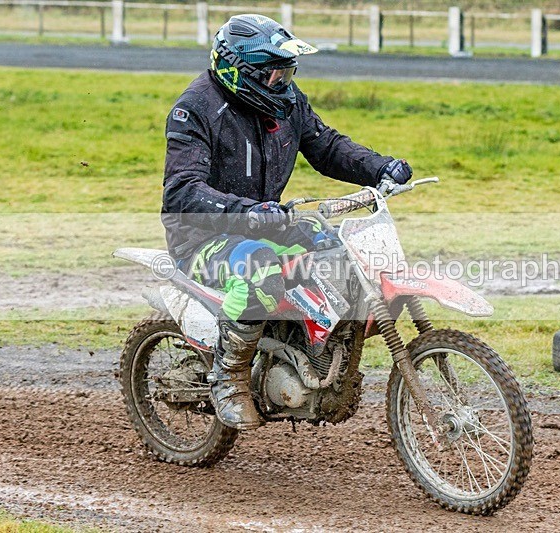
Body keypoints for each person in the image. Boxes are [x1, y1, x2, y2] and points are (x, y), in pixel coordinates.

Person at [160, 14, 413, 430]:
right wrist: (247, 211)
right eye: (275, 73)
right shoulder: (195, 110)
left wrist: (380, 168)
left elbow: (326, 146)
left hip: (269, 222)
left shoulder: (287, 100)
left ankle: (317, 357)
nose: (284, 80)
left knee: (333, 245)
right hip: (202, 239)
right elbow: (182, 191)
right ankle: (230, 377)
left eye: (288, 71)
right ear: (241, 73)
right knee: (258, 267)